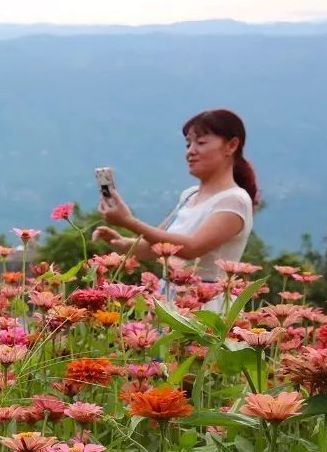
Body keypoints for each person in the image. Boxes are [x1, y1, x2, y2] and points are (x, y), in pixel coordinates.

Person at [92, 108, 258, 305]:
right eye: (188, 144)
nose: (190, 151)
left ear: (231, 145)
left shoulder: (234, 200)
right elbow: (158, 247)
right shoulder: (189, 195)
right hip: (170, 300)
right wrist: (122, 242)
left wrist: (128, 221)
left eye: (201, 143)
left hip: (207, 306)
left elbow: (192, 248)